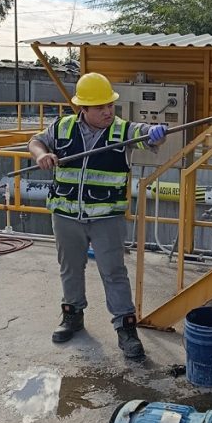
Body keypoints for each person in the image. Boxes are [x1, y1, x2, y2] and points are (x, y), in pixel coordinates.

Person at [28, 72, 167, 360]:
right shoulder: (62, 127)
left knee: (114, 272)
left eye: (110, 105)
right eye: (100, 107)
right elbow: (36, 141)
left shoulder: (122, 131)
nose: (108, 111)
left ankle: (125, 328)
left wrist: (156, 132)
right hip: (66, 215)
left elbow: (144, 133)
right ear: (84, 108)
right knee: (70, 267)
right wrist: (40, 155)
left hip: (106, 219)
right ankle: (72, 315)